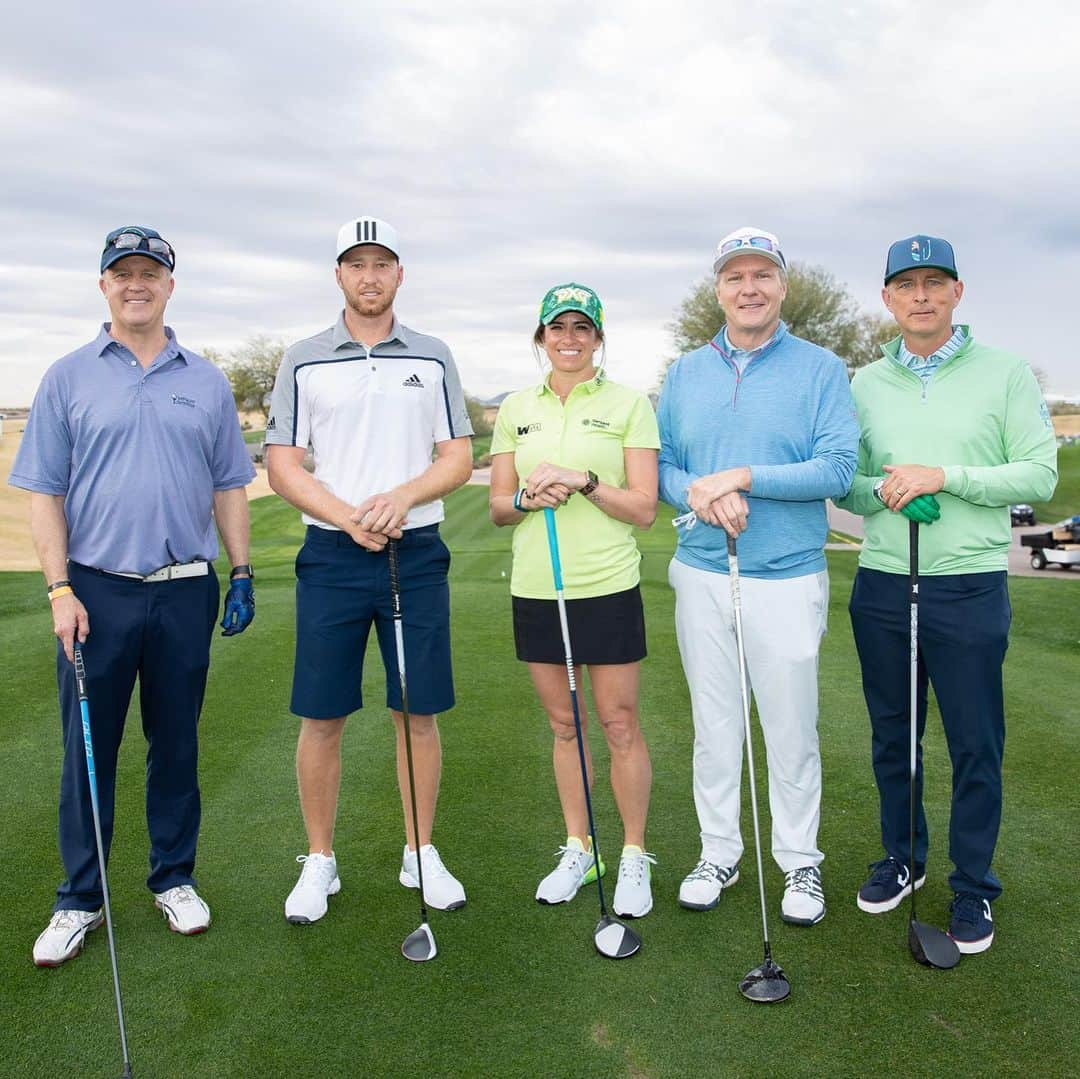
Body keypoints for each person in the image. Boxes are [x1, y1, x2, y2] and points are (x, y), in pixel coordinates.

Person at [10, 226, 255, 967]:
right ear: (104, 285)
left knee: (176, 745)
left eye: (150, 272)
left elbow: (229, 484)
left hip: (183, 590)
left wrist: (241, 571)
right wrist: (59, 589)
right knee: (90, 750)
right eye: (123, 273)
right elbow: (45, 494)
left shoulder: (206, 380)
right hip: (94, 592)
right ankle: (80, 897)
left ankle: (173, 877)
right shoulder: (67, 376)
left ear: (170, 285)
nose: (136, 283)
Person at [837, 235, 1057, 953]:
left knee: (974, 743)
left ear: (957, 293)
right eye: (907, 284)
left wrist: (945, 476)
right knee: (894, 736)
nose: (922, 296)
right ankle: (903, 857)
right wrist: (887, 488)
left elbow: (1036, 476)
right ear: (888, 299)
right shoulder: (864, 382)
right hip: (882, 580)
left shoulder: (1005, 374)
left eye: (936, 282)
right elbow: (848, 479)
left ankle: (972, 886)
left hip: (967, 584)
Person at [266, 216, 473, 925]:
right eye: (357, 264)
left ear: (399, 275)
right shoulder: (302, 357)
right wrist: (347, 513)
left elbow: (456, 457)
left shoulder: (434, 355)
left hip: (414, 554)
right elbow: (284, 463)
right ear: (339, 276)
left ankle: (420, 848)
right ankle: (320, 859)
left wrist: (402, 497)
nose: (370, 275)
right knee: (322, 713)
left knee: (416, 709)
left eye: (382, 263)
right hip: (331, 554)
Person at [657, 227, 858, 925]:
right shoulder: (684, 373)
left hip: (787, 575)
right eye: (736, 276)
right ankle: (719, 850)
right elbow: (661, 467)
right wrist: (699, 493)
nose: (749, 288)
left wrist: (743, 475)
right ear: (718, 289)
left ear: (782, 285)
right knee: (715, 725)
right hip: (702, 571)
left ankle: (800, 862)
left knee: (790, 726)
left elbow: (836, 469)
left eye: (762, 275)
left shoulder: (821, 369)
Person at [489, 283, 660, 917]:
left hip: (607, 584)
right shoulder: (516, 407)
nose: (569, 338)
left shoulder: (627, 404)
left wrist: (584, 481)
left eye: (581, 328)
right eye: (557, 328)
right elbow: (499, 508)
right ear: (541, 337)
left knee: (618, 724)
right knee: (565, 725)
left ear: (598, 337)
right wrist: (530, 499)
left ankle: (634, 854)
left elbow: (643, 508)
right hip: (538, 586)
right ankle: (579, 847)